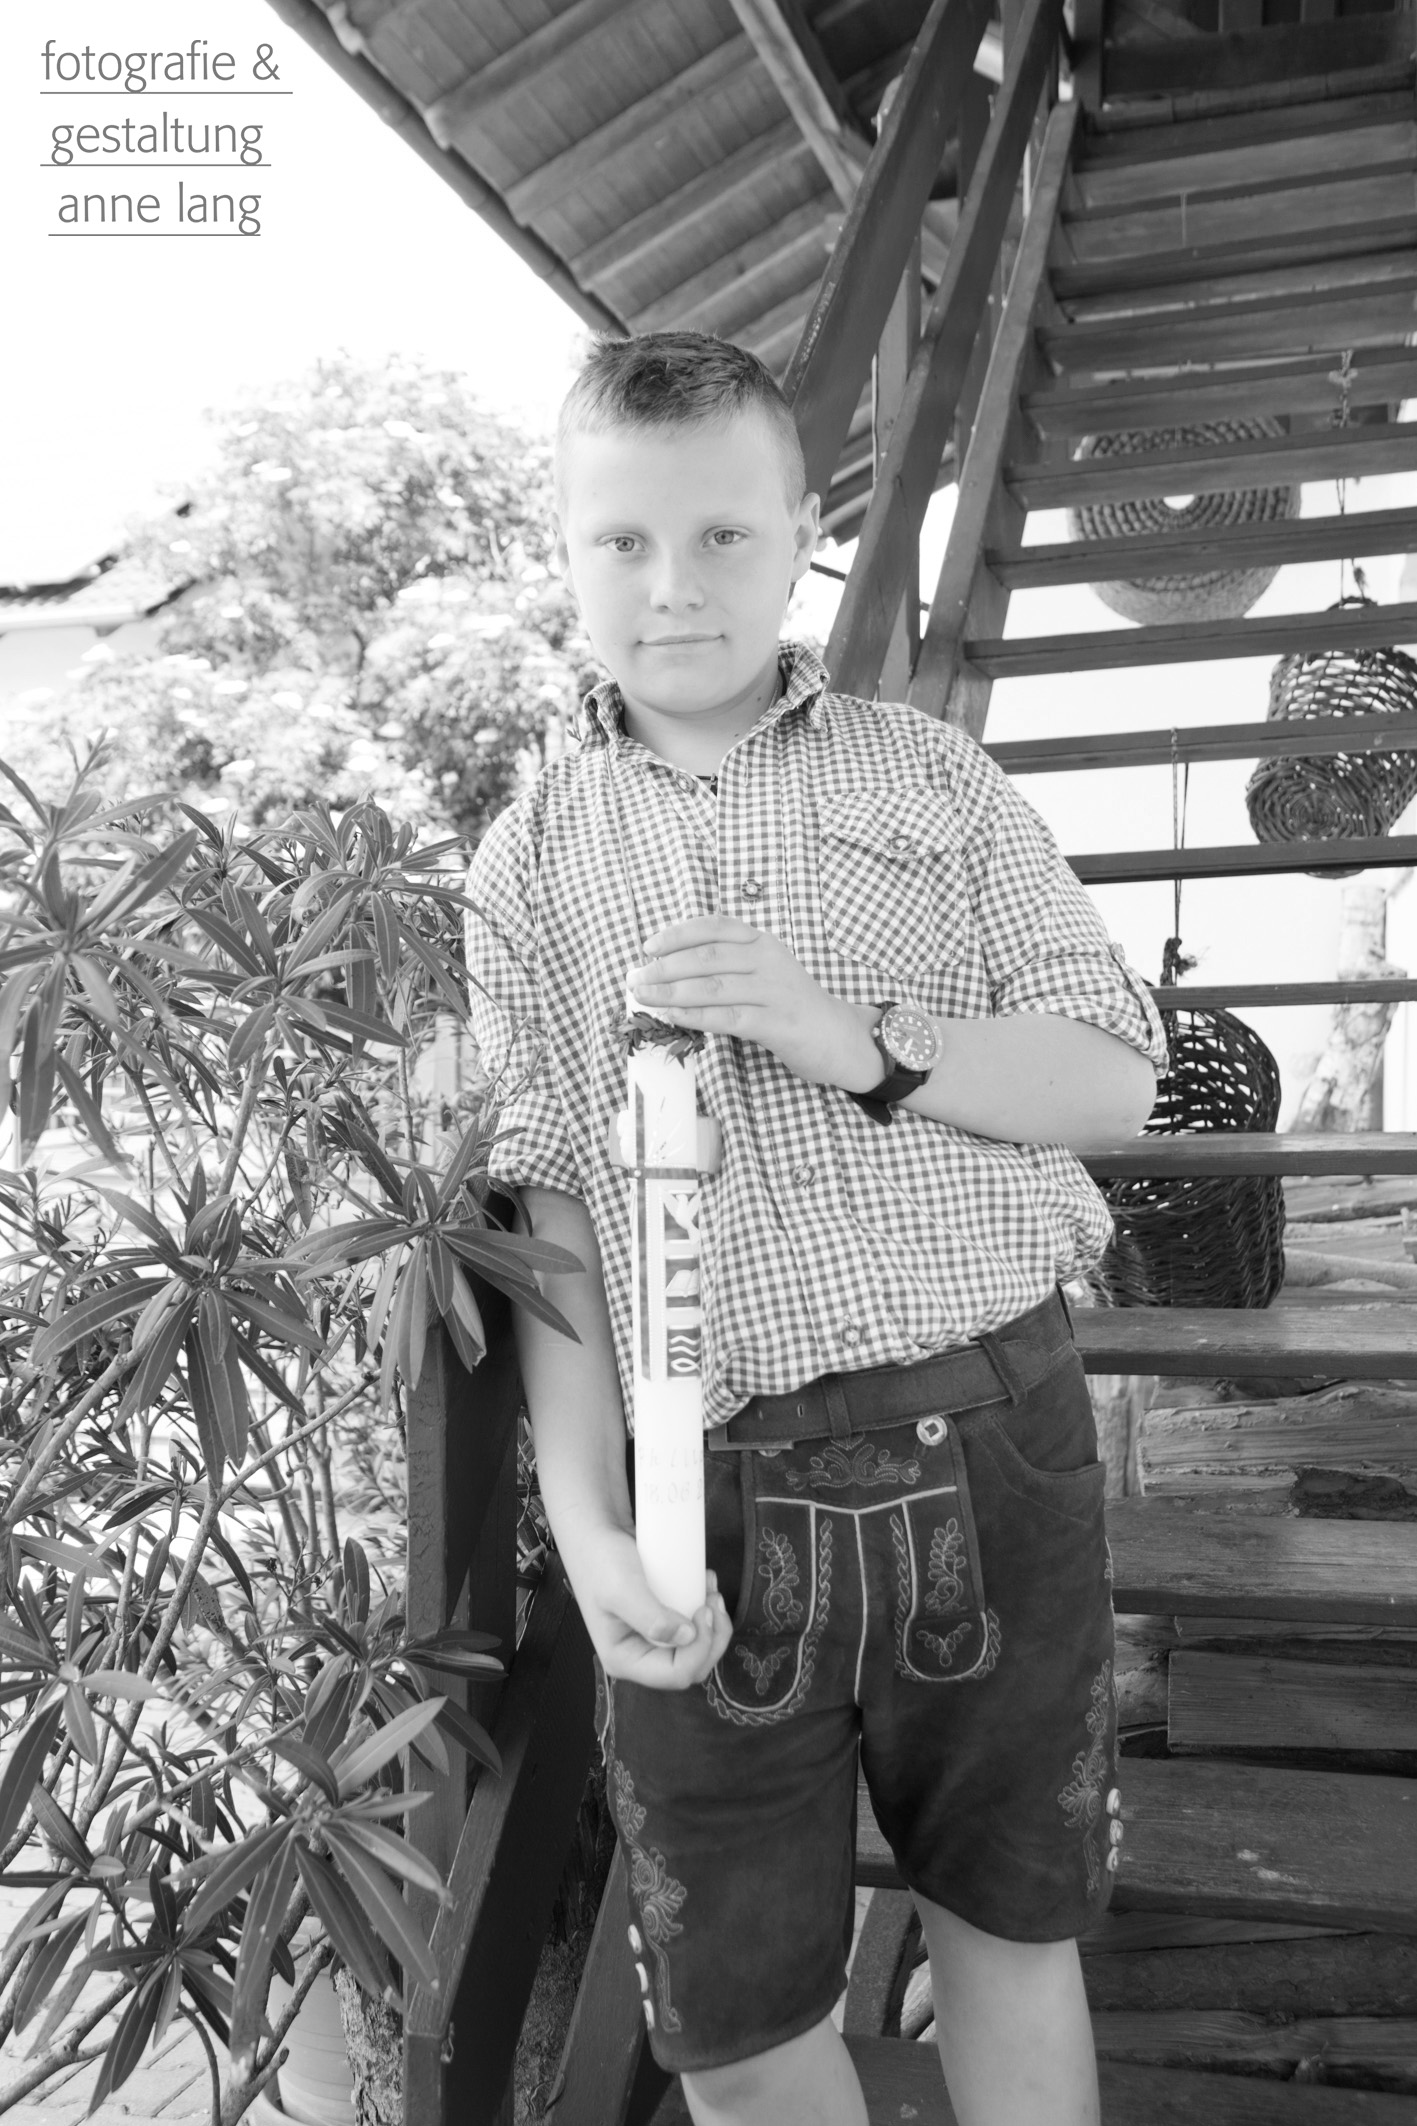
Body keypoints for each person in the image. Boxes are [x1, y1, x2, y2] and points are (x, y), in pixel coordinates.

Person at [463, 330, 1167, 2126]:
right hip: (705, 1495)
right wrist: (585, 1522)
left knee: (1006, 1937)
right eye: (623, 540)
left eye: (722, 533)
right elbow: (551, 1215)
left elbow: (1111, 1076)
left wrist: (855, 1039)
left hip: (992, 1436)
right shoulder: (526, 861)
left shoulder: (930, 778)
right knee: (737, 2021)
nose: (673, 583)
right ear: (565, 553)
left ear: (799, 539)